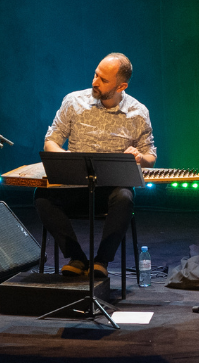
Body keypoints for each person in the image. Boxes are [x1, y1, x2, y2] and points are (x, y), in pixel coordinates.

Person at [36, 53, 156, 278]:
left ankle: (101, 261)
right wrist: (65, 158)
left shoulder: (138, 112)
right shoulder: (73, 101)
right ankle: (77, 258)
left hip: (109, 190)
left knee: (124, 197)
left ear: (121, 86)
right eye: (95, 75)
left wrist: (139, 156)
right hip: (75, 186)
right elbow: (51, 141)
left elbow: (150, 157)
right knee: (42, 196)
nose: (94, 82)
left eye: (103, 80)